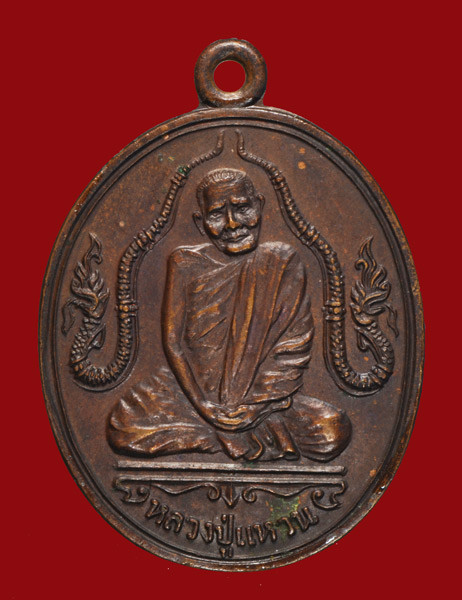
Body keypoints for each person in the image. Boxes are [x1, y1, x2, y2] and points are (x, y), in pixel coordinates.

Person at [108, 169, 351, 461]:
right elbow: (173, 343)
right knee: (123, 428)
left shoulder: (281, 261)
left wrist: (256, 407)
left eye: (242, 208)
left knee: (333, 431)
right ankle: (235, 435)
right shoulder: (185, 262)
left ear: (259, 206)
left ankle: (240, 432)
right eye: (216, 214)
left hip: (265, 399)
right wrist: (203, 406)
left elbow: (291, 348)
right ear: (200, 223)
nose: (233, 224)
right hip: (191, 391)